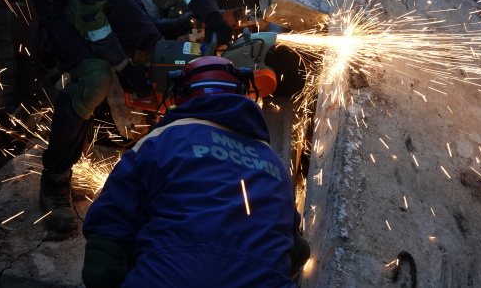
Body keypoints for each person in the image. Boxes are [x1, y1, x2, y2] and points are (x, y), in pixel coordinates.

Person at [30, 0, 233, 236]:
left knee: (152, 43)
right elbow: (87, 13)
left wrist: (212, 14)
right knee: (95, 76)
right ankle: (55, 178)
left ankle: (147, 135)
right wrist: (122, 66)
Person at [82, 56, 311, 287]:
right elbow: (298, 251)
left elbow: (109, 225)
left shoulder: (159, 140)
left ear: (180, 93)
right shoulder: (272, 159)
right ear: (243, 92)